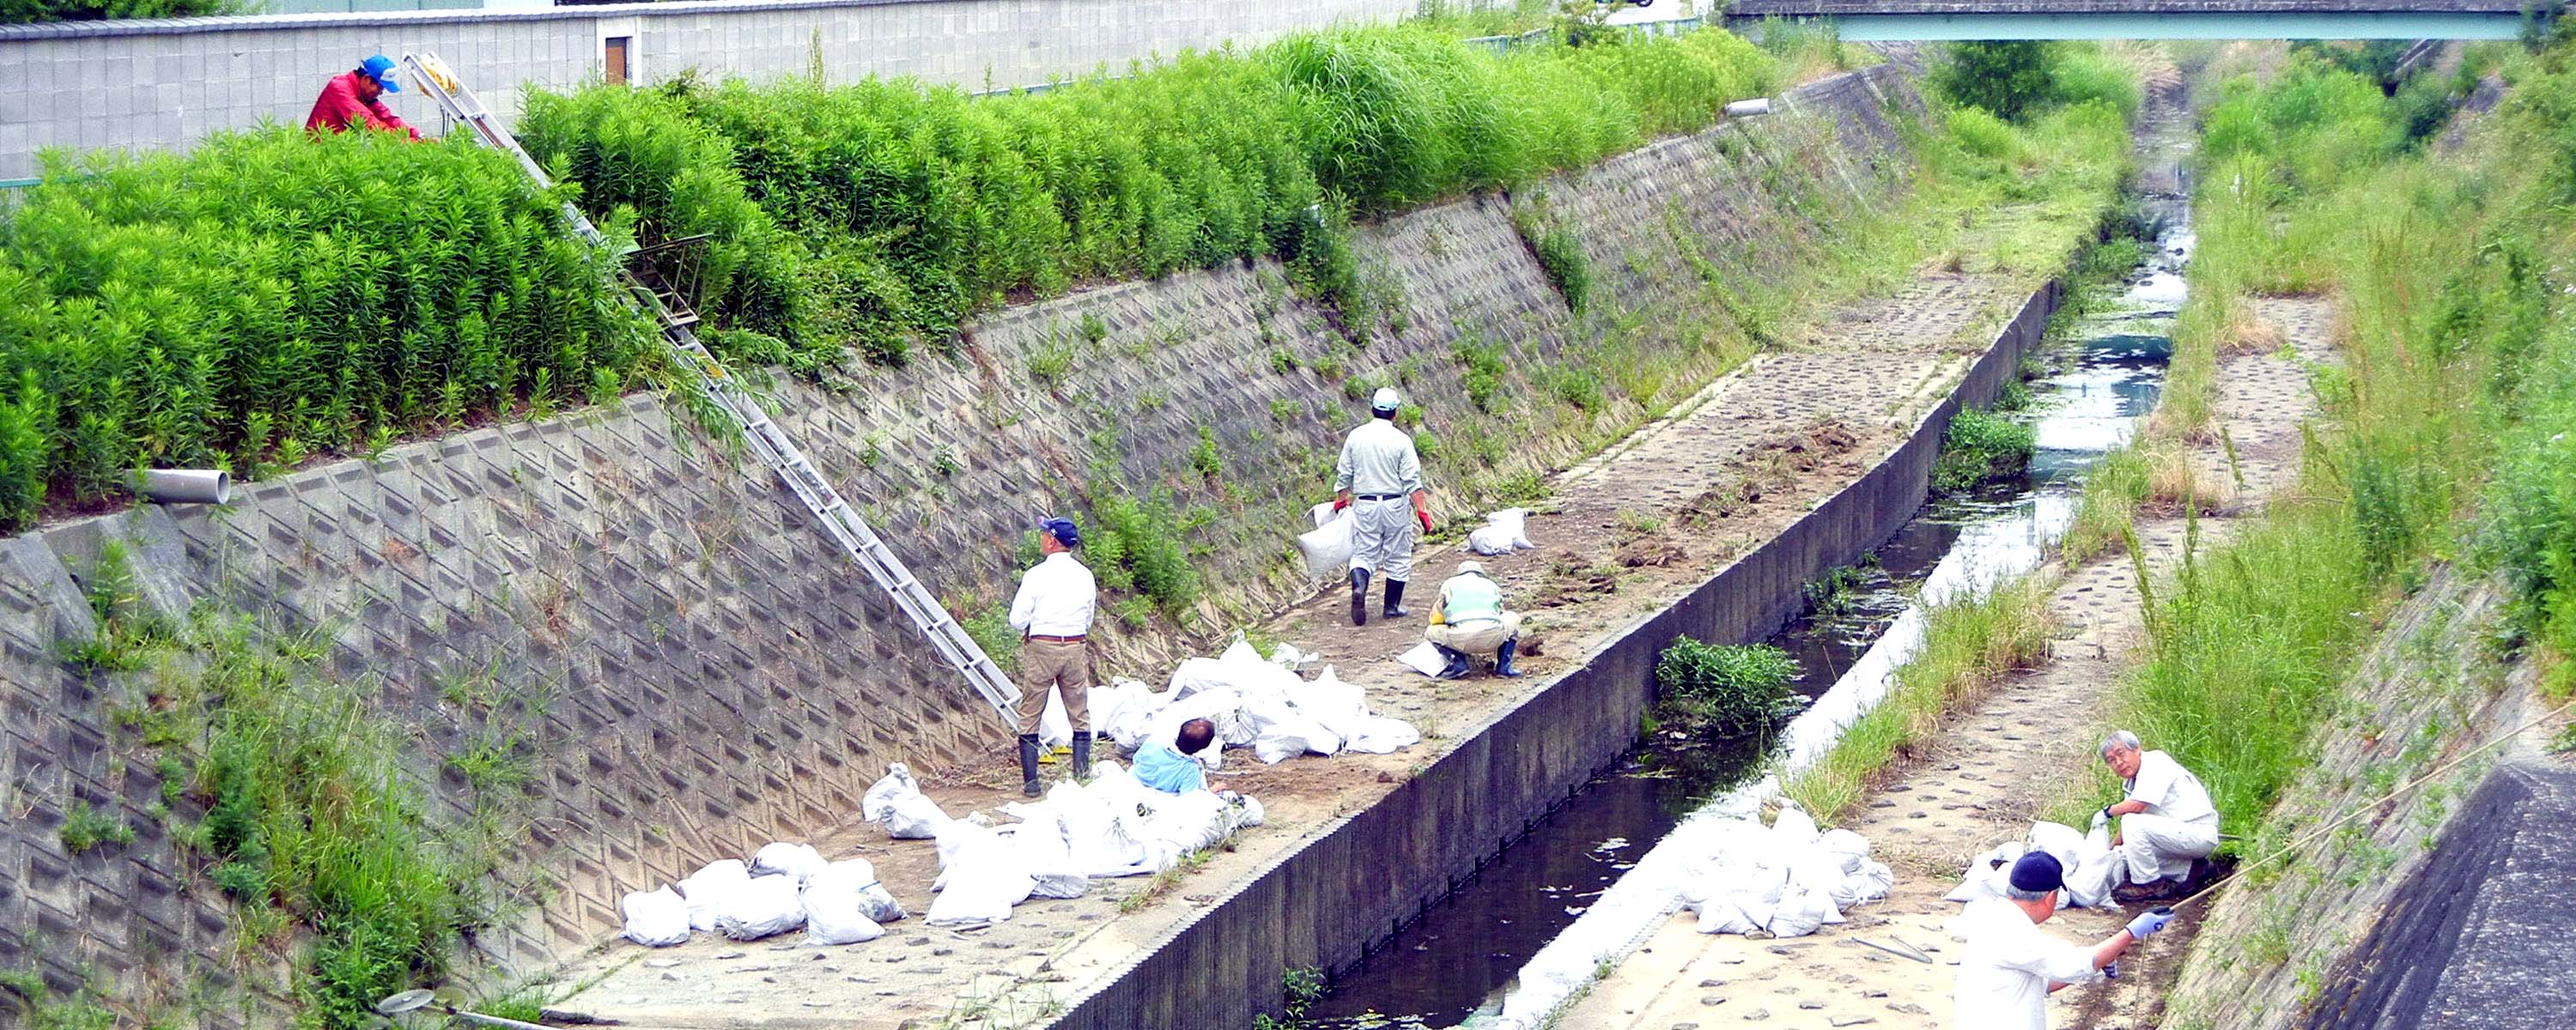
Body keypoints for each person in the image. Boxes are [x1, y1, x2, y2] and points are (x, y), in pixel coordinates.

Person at [1954, 851, 2177, 1029]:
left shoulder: (2000, 919)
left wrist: (2099, 965)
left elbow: (2042, 982)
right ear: (2050, 897)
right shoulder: (2013, 932)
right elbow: (2077, 963)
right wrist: (2133, 931)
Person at [1009, 517, 1097, 797]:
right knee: (1079, 713)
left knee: (1031, 712)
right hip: (1074, 646)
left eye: (1043, 534)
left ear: (1052, 540)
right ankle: (1081, 777)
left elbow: (1017, 619)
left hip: (1042, 647)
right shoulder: (1085, 575)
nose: (1041, 539)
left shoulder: (1036, 575)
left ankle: (1032, 784)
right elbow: (1088, 618)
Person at [1334, 387, 1430, 627]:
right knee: (1397, 555)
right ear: (1395, 413)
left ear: (1372, 409)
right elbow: (1412, 481)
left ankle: (1359, 588)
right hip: (1394, 504)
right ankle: (1391, 607)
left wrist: (1341, 498)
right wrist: (1422, 511)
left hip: (1364, 503)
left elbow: (1345, 473)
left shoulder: (1356, 436)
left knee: (1364, 553)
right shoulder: (1401, 440)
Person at [2095, 730, 2220, 903]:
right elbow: (2127, 831)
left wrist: (2107, 811)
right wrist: (2109, 852)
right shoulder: (2132, 782)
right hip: (2175, 836)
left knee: (2133, 823)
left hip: (2197, 833)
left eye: (2121, 754)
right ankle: (2192, 871)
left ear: (2137, 749)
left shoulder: (2156, 762)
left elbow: (2136, 807)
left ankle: (2150, 884)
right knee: (2123, 855)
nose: (2119, 762)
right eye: (2111, 761)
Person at [1425, 560, 1523, 679]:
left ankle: (1458, 663)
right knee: (1512, 617)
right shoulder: (1491, 585)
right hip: (1493, 638)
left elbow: (1439, 612)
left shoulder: (1449, 584)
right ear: (1481, 573)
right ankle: (1504, 667)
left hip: (1460, 640)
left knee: (1431, 631)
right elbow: (1500, 612)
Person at [307, 55, 423, 141]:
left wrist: (416, 134)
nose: (381, 92)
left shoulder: (363, 94)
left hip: (340, 148)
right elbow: (371, 125)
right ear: (367, 79)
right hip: (320, 151)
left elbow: (386, 117)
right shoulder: (340, 89)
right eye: (380, 87)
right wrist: (409, 142)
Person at [1133, 718, 1229, 796]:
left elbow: (1136, 760)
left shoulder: (1154, 742)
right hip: (1158, 801)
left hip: (1132, 785)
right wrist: (1211, 792)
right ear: (1205, 747)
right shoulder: (1190, 770)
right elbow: (1187, 801)